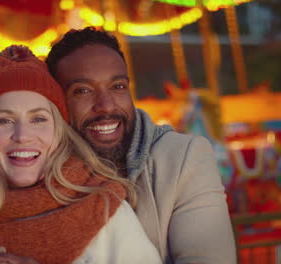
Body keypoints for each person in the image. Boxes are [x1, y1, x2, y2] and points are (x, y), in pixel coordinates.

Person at [0, 45, 162, 264]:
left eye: (38, 119)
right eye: (4, 120)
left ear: (59, 134)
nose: (22, 135)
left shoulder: (104, 208)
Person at [45, 27, 237, 264]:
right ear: (56, 102)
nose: (106, 106)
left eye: (117, 86)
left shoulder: (183, 158)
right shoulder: (39, 171)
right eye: (83, 91)